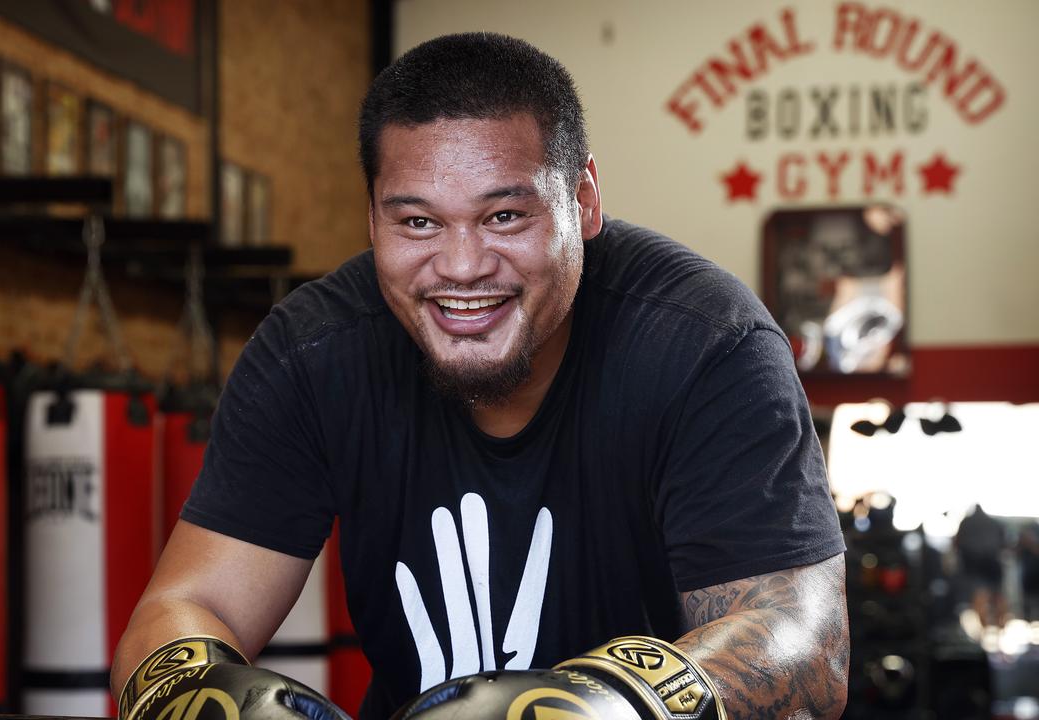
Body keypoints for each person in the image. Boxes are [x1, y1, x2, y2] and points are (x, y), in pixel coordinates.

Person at [113, 33, 848, 720]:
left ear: (584, 200)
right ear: (371, 219)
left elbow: (803, 639)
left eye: (502, 216)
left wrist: (604, 709)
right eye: (419, 224)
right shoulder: (313, 353)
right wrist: (201, 695)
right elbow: (185, 603)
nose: (462, 267)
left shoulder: (701, 344)